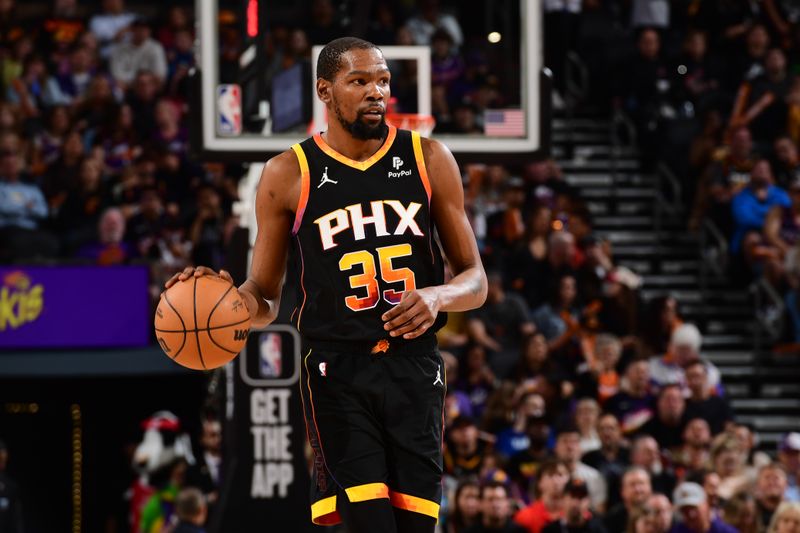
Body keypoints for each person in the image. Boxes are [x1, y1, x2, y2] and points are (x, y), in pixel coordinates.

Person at [165, 37, 487, 533]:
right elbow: (265, 298)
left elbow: (476, 280)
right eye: (359, 81)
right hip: (336, 370)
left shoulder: (429, 159)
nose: (376, 92)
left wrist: (438, 295)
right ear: (325, 90)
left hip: (414, 368)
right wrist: (225, 301)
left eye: (381, 80)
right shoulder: (286, 174)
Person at [542, 478, 607, 533]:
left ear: (588, 501)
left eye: (580, 497)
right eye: (573, 496)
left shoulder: (597, 529)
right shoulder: (551, 530)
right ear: (563, 498)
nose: (576, 502)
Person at [670, 482, 738, 533]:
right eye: (684, 510)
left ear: (706, 505)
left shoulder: (725, 531)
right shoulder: (677, 531)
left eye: (694, 508)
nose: (691, 515)